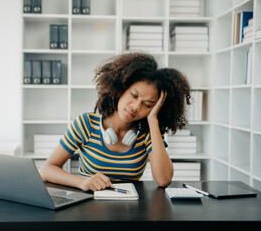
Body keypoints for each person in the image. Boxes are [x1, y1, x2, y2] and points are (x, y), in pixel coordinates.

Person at [40, 52, 191, 192]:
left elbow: (164, 180)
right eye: (134, 95)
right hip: (87, 206)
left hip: (129, 208)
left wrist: (153, 120)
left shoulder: (148, 133)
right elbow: (47, 169)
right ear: (121, 88)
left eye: (147, 105)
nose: (136, 107)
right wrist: (82, 182)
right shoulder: (86, 124)